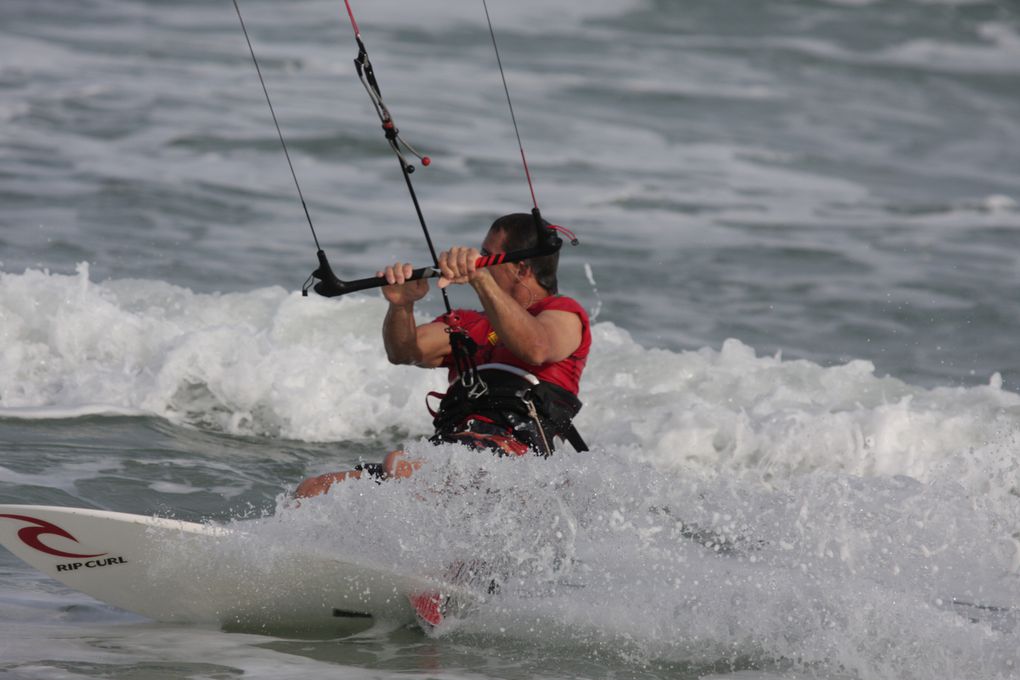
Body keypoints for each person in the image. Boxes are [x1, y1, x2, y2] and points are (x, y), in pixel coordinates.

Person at [295, 213, 591, 498]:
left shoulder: (561, 313)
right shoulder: (468, 322)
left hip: (518, 457)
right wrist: (402, 305)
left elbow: (536, 348)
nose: (480, 262)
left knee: (402, 466)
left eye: (487, 255)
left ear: (522, 268)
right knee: (316, 489)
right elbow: (404, 352)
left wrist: (479, 279)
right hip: (455, 451)